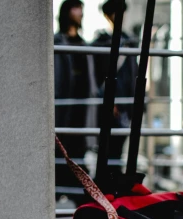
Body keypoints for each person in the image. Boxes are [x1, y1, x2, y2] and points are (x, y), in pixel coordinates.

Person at [54, 0, 97, 201]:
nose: (79, 12)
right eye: (75, 8)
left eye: (80, 9)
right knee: (59, 154)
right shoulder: (56, 41)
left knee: (77, 155)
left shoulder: (83, 44)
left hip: (81, 107)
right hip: (62, 109)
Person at [93, 0, 138, 176]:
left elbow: (133, 73)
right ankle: (106, 184)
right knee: (108, 147)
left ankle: (113, 184)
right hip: (111, 103)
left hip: (127, 103)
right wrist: (109, 101)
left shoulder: (129, 41)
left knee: (118, 148)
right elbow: (98, 76)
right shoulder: (102, 42)